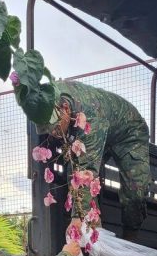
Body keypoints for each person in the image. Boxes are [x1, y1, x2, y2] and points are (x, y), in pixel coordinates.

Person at [39, 80, 151, 241]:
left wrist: (78, 216)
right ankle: (95, 242)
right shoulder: (44, 102)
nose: (54, 134)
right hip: (98, 129)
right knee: (74, 176)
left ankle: (130, 240)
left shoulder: (89, 116)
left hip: (129, 133)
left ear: (65, 109)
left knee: (135, 191)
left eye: (56, 127)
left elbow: (86, 169)